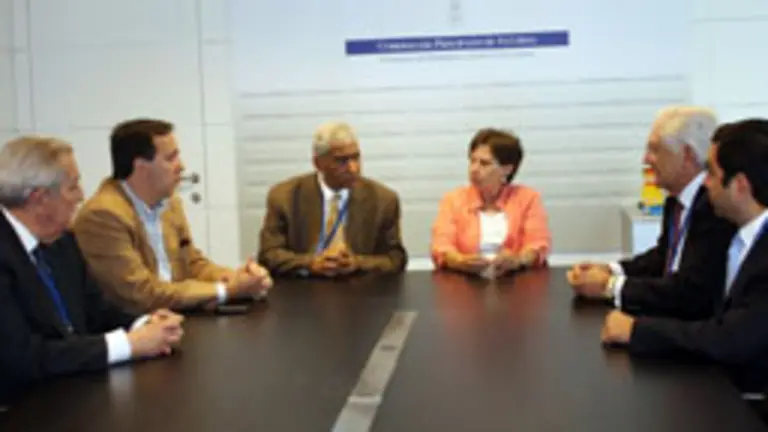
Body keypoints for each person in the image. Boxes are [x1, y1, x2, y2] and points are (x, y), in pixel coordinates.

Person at [0, 136, 184, 405]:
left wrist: (147, 323)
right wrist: (130, 344)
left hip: (73, 391)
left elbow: (97, 309)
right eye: (73, 187)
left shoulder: (62, 241)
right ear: (39, 199)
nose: (82, 196)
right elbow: (22, 358)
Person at [601, 118, 768, 394]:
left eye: (712, 174)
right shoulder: (744, 238)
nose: (706, 185)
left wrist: (637, 330)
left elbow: (733, 338)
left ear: (739, 186)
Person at [73, 119, 272, 314]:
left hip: (175, 315)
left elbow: (192, 263)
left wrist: (239, 278)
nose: (182, 166)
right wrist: (228, 290)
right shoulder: (103, 216)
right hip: (136, 328)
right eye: (171, 158)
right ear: (141, 167)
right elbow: (141, 293)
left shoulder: (170, 204)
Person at [568, 107, 736, 320]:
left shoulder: (715, 207)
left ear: (687, 156)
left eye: (656, 150)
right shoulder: (676, 200)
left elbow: (692, 292)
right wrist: (611, 270)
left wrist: (610, 286)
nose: (646, 159)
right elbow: (663, 257)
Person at [258, 121, 407, 277]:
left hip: (361, 291)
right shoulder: (284, 197)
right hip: (302, 290)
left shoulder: (383, 200)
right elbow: (269, 255)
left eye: (356, 158)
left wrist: (357, 263)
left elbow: (395, 259)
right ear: (318, 163)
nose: (353, 168)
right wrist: (310, 263)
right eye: (342, 161)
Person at [430, 128, 551, 277]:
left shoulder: (528, 198)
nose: (474, 169)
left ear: (507, 169)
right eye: (472, 161)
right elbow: (441, 246)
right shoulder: (453, 199)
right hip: (465, 280)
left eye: (484, 163)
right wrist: (460, 261)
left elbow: (538, 245)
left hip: (515, 281)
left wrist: (518, 260)